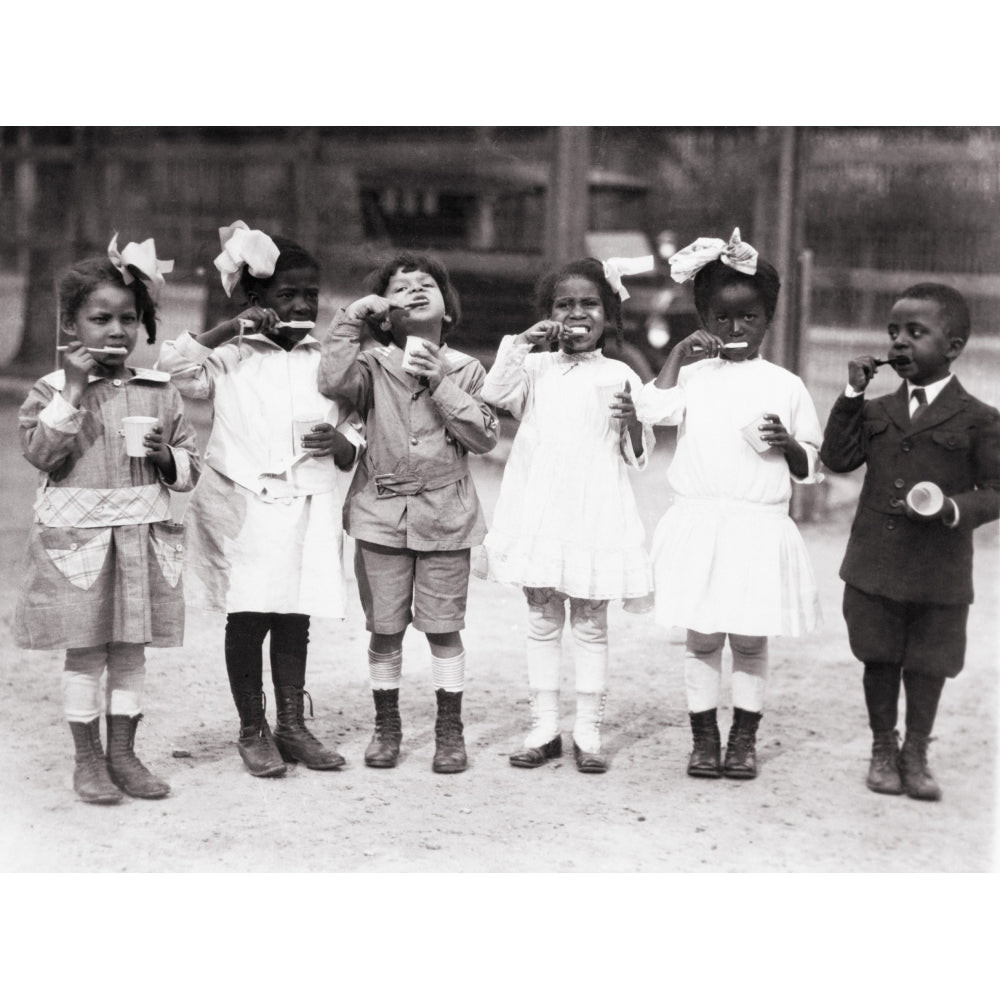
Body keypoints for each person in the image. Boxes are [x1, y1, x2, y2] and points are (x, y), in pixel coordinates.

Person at [157, 221, 363, 778]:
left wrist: (346, 442)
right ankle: (253, 726)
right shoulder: (230, 357)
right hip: (243, 500)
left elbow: (360, 413)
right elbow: (173, 367)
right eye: (286, 295)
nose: (301, 305)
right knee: (249, 615)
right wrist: (229, 329)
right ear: (257, 301)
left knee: (294, 614)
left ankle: (292, 726)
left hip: (306, 500)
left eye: (311, 296)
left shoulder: (328, 359)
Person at [15, 236, 200, 805]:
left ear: (144, 326)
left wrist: (168, 458)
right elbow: (43, 455)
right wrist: (72, 390)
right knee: (86, 650)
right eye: (100, 318)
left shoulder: (160, 394)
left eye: (129, 318)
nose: (116, 330)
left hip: (141, 542)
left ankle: (124, 753)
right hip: (81, 547)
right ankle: (88, 758)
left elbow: (190, 467)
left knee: (130, 651)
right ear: (72, 326)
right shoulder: (50, 391)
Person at [635, 228, 823, 780]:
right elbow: (654, 410)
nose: (735, 329)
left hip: (756, 527)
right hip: (701, 521)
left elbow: (812, 462)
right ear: (702, 318)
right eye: (721, 318)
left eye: (749, 318)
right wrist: (675, 356)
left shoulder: (785, 385)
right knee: (702, 636)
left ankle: (743, 738)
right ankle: (703, 738)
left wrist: (787, 444)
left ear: (768, 320)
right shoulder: (691, 377)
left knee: (748, 637)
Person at [318, 251, 498, 773]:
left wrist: (440, 382)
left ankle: (449, 729)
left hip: (447, 515)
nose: (415, 291)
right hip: (379, 513)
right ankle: (387, 725)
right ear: (384, 313)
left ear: (447, 311)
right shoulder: (370, 367)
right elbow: (331, 381)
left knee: (443, 627)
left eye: (428, 286)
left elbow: (484, 435)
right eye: (400, 288)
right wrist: (353, 317)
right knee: (386, 627)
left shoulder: (465, 368)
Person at [820, 283, 1000, 801]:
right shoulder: (875, 410)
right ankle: (883, 746)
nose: (899, 344)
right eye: (893, 332)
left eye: (915, 333)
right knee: (878, 656)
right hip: (876, 564)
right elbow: (838, 458)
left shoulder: (979, 418)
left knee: (928, 663)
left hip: (937, 570)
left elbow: (995, 491)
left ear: (954, 345)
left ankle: (916, 750)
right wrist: (852, 394)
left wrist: (952, 509)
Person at [478, 256, 654, 774]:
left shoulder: (621, 374)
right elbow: (494, 396)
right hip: (541, 509)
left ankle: (588, 730)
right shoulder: (532, 366)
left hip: (595, 509)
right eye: (564, 304)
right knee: (541, 617)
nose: (577, 313)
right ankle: (543, 727)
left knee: (592, 624)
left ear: (608, 315)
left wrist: (631, 423)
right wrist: (522, 344)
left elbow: (637, 456)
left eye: (589, 304)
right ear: (549, 314)